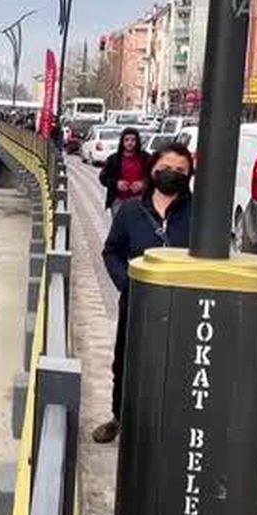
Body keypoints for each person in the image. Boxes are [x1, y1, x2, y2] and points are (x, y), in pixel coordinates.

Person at [92, 142, 195, 444]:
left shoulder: (200, 214)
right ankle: (119, 416)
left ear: (189, 175)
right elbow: (112, 251)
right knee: (125, 361)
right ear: (152, 169)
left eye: (180, 170)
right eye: (166, 168)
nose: (172, 174)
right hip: (137, 303)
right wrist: (126, 282)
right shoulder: (132, 211)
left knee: (177, 363)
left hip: (182, 304)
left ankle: (172, 423)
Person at [98, 128, 150, 215]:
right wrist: (116, 183)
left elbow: (155, 176)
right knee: (119, 227)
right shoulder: (113, 159)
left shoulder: (146, 158)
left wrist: (143, 183)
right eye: (127, 140)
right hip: (118, 200)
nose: (130, 143)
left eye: (133, 140)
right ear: (122, 142)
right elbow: (103, 178)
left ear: (138, 141)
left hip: (140, 200)